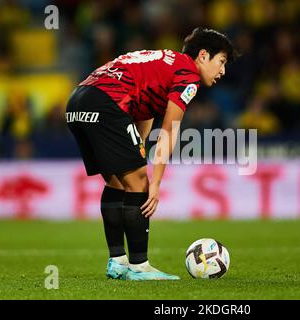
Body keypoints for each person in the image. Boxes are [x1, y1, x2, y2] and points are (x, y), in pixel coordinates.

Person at [65, 27, 237, 280]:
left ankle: (118, 262)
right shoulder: (188, 74)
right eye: (221, 61)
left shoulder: (162, 62)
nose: (222, 71)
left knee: (117, 182)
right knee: (140, 184)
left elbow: (142, 113)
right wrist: (154, 182)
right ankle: (139, 266)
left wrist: (139, 153)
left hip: (78, 102)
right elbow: (168, 130)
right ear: (202, 56)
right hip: (106, 103)